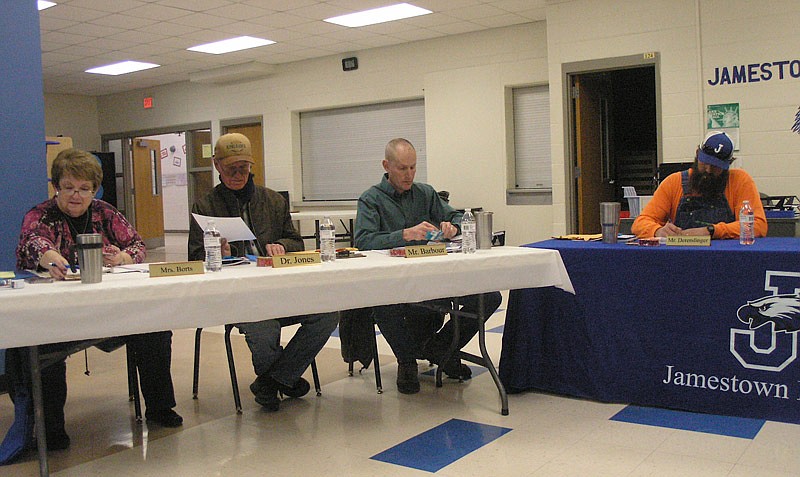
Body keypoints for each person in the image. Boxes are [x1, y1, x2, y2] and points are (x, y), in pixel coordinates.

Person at [10, 148, 182, 454]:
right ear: (56, 187)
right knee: (44, 346)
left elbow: (137, 244)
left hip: (110, 308)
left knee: (155, 329)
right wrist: (49, 257)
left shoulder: (105, 212)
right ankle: (50, 428)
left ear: (94, 189)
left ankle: (159, 407)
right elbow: (33, 241)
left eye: (84, 189)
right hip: (61, 314)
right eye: (69, 188)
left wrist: (123, 256)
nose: (76, 196)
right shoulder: (40, 214)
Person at [188, 133, 338, 412]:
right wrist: (216, 253)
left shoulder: (272, 201)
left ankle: (272, 381)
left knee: (328, 315)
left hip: (279, 290)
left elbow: (296, 242)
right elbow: (195, 257)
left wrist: (281, 245)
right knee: (264, 328)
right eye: (231, 168)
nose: (237, 174)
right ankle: (284, 378)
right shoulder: (204, 206)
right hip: (239, 296)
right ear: (217, 165)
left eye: (243, 168)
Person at [354, 138, 502, 394]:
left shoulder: (425, 192)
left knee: (490, 297)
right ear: (386, 166)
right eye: (402, 168)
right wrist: (404, 235)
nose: (409, 174)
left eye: (413, 167)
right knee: (380, 303)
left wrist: (452, 225)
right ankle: (407, 360)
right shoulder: (370, 199)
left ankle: (443, 347)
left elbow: (455, 214)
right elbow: (364, 241)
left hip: (433, 276)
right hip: (393, 281)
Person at [632, 131, 767, 239]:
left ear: (728, 165)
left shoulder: (740, 181)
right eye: (705, 163)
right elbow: (640, 223)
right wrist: (657, 230)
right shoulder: (673, 183)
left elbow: (757, 225)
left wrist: (712, 231)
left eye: (715, 167)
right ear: (697, 154)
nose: (708, 170)